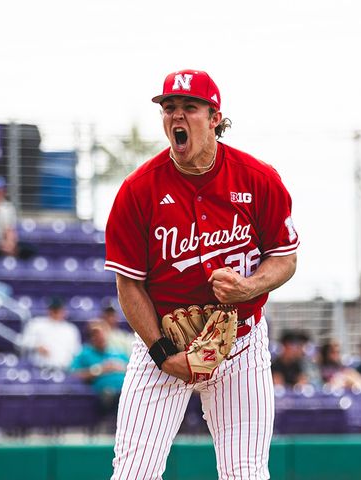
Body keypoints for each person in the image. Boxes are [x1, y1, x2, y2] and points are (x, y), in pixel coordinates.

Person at [105, 69, 300, 479]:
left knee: (245, 473)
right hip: (164, 341)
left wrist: (249, 286)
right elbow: (129, 284)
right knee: (133, 474)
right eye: (168, 108)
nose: (176, 116)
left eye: (189, 107)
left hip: (240, 345)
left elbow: (284, 258)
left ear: (214, 118)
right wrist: (163, 354)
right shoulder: (138, 190)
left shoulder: (258, 179)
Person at [71, 323, 130, 420]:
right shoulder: (85, 353)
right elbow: (74, 374)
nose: (100, 336)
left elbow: (131, 367)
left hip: (126, 389)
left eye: (102, 333)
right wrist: (99, 370)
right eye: (96, 334)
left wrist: (120, 367)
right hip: (103, 393)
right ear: (91, 337)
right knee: (111, 394)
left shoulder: (116, 351)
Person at [19, 297, 81, 369]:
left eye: (59, 310)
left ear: (64, 311)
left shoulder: (71, 329)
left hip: (64, 369)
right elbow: (22, 342)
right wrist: (36, 346)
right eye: (54, 310)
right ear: (49, 310)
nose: (56, 313)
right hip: (40, 368)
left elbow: (76, 351)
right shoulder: (36, 323)